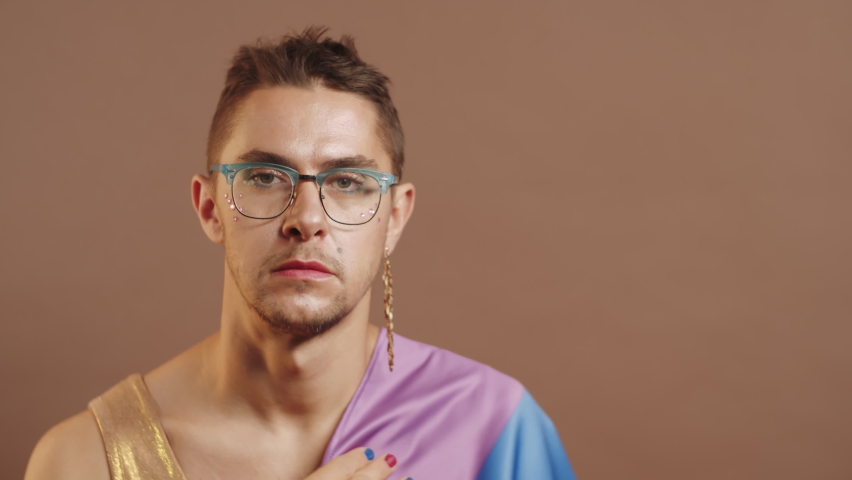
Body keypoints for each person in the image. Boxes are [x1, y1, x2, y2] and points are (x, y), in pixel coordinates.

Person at [24, 27, 576, 480]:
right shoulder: (85, 460)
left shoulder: (494, 430)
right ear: (210, 206)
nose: (307, 219)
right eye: (265, 176)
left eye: (349, 181)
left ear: (395, 218)